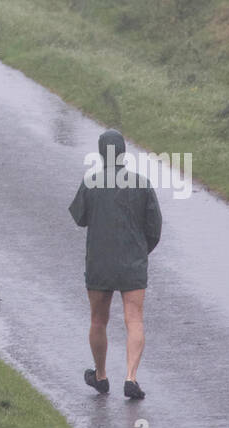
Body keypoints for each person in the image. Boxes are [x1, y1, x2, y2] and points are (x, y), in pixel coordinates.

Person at [68, 128, 162, 400]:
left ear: (100, 152)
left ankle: (100, 376)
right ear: (124, 152)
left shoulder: (91, 181)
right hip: (132, 263)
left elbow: (79, 217)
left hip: (99, 262)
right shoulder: (141, 183)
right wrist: (141, 252)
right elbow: (154, 228)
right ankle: (131, 377)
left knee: (98, 320)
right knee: (134, 319)